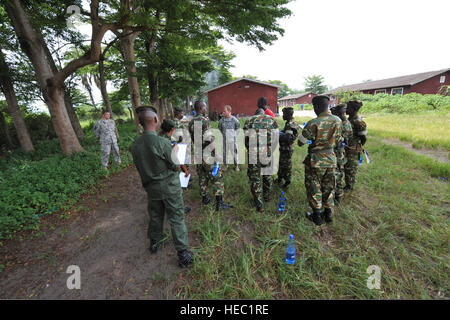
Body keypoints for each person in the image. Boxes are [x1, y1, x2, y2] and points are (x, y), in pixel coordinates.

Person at [131, 108, 194, 267]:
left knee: (155, 215)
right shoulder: (162, 142)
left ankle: (154, 243)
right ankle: (183, 253)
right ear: (155, 121)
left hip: (151, 189)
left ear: (140, 123)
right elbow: (175, 165)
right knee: (176, 217)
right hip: (169, 188)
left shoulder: (135, 145)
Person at [297, 95, 341, 225]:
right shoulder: (337, 120)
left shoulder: (313, 123)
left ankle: (317, 216)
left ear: (316, 107)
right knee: (329, 186)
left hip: (316, 161)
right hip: (331, 159)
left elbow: (301, 142)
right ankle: (328, 214)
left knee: (314, 187)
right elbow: (338, 141)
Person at [188, 101, 233, 211]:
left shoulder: (191, 122)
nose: (206, 108)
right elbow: (209, 139)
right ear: (202, 108)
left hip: (198, 153)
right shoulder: (204, 120)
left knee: (202, 176)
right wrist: (217, 154)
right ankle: (219, 203)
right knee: (217, 177)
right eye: (205, 107)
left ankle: (205, 199)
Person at [244, 107, 279, 213]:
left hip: (253, 152)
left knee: (255, 178)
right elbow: (276, 137)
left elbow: (245, 138)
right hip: (267, 151)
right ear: (264, 113)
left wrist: (249, 149)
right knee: (267, 175)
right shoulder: (272, 120)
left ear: (256, 113)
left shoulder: (249, 120)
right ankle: (267, 197)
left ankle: (259, 205)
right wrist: (271, 150)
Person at [160, 119, 192, 214]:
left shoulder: (158, 137)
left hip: (160, 171)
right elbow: (176, 158)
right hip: (170, 170)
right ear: (172, 129)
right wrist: (185, 170)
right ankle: (179, 209)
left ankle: (166, 207)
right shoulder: (168, 140)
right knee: (176, 190)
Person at [331, 104, 353, 204]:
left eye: (335, 113)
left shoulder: (344, 124)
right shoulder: (342, 122)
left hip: (339, 153)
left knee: (338, 175)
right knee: (336, 174)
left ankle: (338, 197)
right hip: (337, 153)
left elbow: (339, 141)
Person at [344, 100, 367, 191]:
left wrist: (358, 147)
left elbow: (363, 138)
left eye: (348, 107)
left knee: (351, 168)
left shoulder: (358, 121)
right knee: (346, 167)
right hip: (347, 147)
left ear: (354, 109)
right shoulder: (349, 119)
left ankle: (349, 186)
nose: (346, 109)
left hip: (353, 149)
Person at [277, 107, 300, 189]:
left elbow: (288, 139)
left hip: (287, 148)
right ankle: (279, 178)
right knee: (281, 164)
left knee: (286, 166)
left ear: (288, 115)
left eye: (283, 114)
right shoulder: (290, 123)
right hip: (284, 148)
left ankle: (287, 182)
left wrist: (278, 135)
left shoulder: (290, 124)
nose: (282, 116)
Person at [218, 105, 241, 171]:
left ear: (229, 111)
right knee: (225, 153)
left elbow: (238, 128)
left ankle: (236, 165)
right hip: (225, 140)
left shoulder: (234, 119)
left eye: (224, 111)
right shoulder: (221, 120)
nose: (223, 112)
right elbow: (219, 128)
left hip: (232, 140)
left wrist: (234, 135)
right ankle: (226, 165)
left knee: (234, 152)